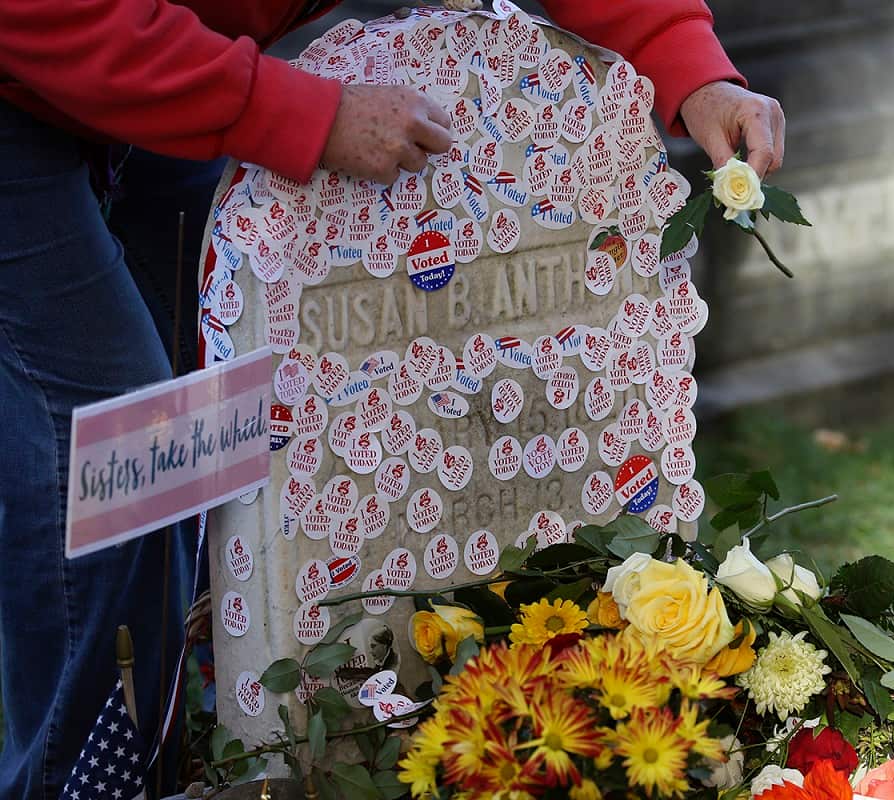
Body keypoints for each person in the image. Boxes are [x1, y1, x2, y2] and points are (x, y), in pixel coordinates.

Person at [0, 1, 786, 797]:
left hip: (164, 47)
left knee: (204, 440)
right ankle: (79, 782)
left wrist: (690, 67)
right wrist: (291, 111)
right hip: (42, 50)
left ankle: (186, 748)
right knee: (118, 447)